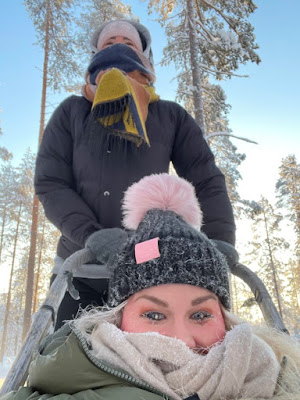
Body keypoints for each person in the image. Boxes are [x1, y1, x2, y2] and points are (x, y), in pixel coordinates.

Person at [2, 174, 299, 400]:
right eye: (154, 315)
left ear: (226, 319)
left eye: (200, 315)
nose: (182, 341)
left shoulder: (272, 376)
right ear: (117, 319)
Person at [34, 18, 237, 329]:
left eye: (128, 43)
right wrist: (92, 234)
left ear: (145, 57)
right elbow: (52, 183)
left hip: (148, 272)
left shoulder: (169, 116)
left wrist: (219, 241)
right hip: (80, 270)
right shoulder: (72, 113)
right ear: (94, 57)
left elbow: (206, 180)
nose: (117, 45)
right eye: (108, 42)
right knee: (68, 365)